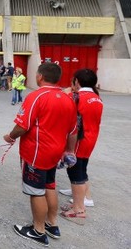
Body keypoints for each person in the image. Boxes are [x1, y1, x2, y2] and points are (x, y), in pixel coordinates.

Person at [4, 62, 77, 247]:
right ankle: (52, 224)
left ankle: (38, 230)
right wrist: (69, 151)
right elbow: (73, 131)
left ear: (40, 77)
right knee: (49, 186)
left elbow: (23, 125)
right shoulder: (67, 98)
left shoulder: (36, 96)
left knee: (36, 191)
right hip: (54, 152)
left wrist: (10, 137)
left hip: (37, 152)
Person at [58, 69, 103, 225]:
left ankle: (79, 209)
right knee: (82, 170)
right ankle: (80, 203)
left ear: (76, 81)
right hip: (90, 140)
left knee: (76, 174)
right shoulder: (96, 97)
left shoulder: (76, 97)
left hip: (77, 141)